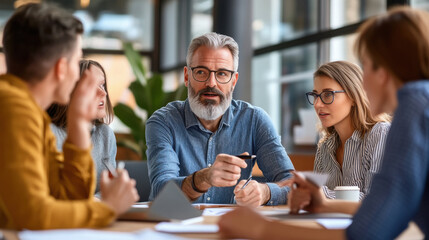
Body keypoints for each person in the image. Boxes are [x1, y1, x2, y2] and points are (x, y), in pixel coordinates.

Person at [218, 6, 428, 239]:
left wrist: (261, 228)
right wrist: (325, 205)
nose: (363, 82)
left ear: (384, 70)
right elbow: (386, 211)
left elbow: (370, 231)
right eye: (315, 96)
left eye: (365, 65)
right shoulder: (420, 104)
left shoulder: (416, 107)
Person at [0, 3, 138, 230]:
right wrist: (109, 208)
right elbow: (34, 215)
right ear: (61, 68)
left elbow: (67, 199)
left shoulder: (30, 112)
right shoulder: (14, 110)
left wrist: (78, 126)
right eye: (77, 61)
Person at [146, 32, 295, 207]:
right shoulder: (163, 122)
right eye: (201, 72)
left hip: (232, 228)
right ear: (187, 76)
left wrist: (265, 192)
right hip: (174, 226)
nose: (211, 83)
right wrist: (204, 178)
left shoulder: (255, 120)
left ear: (234, 81)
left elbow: (291, 182)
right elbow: (162, 191)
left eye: (222, 74)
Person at [306, 61, 390, 200]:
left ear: (353, 96)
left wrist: (322, 195)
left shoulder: (380, 135)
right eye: (315, 95)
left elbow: (376, 200)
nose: (317, 104)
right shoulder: (324, 148)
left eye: (328, 94)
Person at [47, 59, 116, 192]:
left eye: (102, 85)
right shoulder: (50, 133)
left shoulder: (105, 135)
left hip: (96, 211)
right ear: (70, 92)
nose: (104, 93)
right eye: (91, 86)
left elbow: (109, 189)